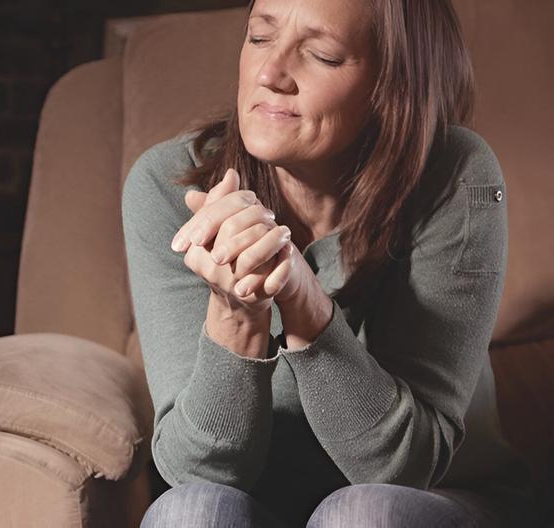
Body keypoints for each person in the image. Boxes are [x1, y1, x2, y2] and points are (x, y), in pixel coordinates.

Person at [121, 0, 542, 526]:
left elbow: (403, 468)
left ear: (392, 85)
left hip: (434, 496)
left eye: (322, 55)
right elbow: (197, 470)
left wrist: (306, 307)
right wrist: (237, 316)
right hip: (259, 504)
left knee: (362, 513)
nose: (271, 73)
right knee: (191, 511)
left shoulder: (459, 175)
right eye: (259, 37)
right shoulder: (171, 185)